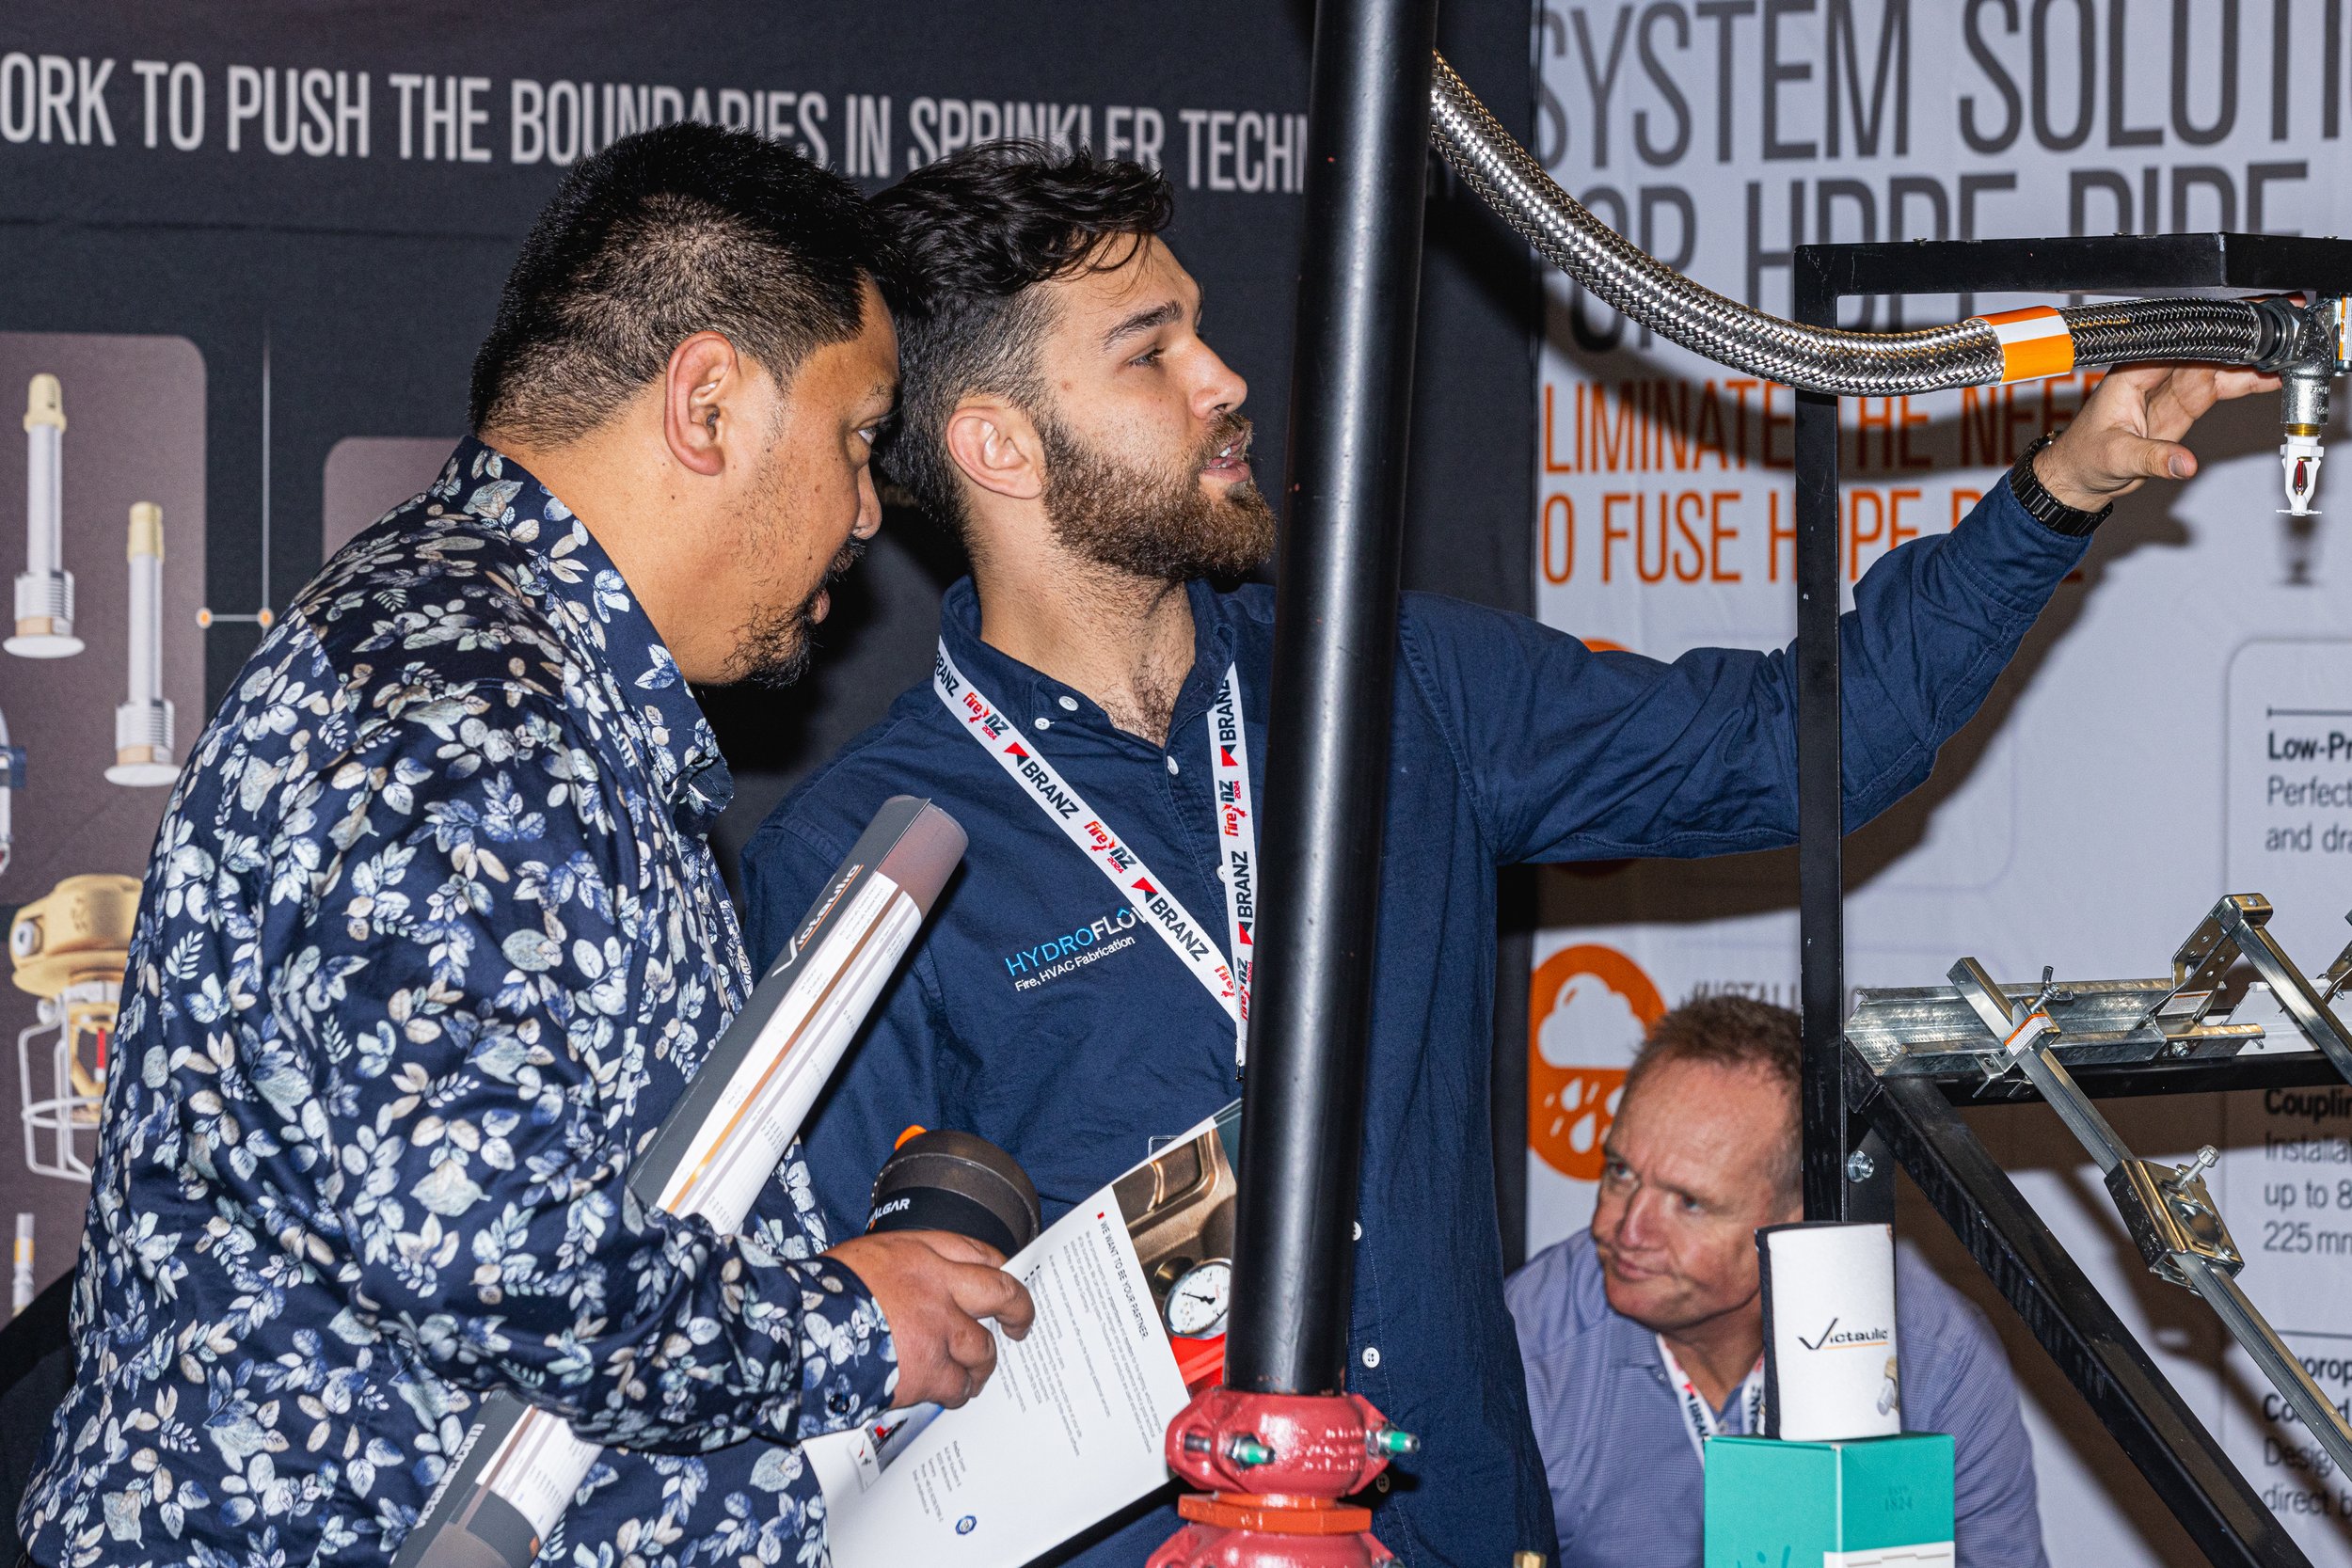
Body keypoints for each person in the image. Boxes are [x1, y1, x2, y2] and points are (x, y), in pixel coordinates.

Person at [739, 143, 2270, 1567]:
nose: (1224, 378)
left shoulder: (1391, 685)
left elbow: (1808, 743)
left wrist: (2064, 485)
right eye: (1151, 350)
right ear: (999, 443)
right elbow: (844, 1380)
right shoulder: (867, 857)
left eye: (1200, 327)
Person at [17, 124, 1036, 1568]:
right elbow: (483, 1251)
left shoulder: (498, 670)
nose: (870, 508)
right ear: (707, 403)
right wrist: (843, 1325)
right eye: (858, 435)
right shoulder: (460, 699)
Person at [1507, 998, 2045, 1566]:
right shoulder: (1524, 1351)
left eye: (1689, 1202)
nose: (1623, 1230)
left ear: (1798, 1220)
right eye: (1620, 1172)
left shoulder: (1935, 1356)